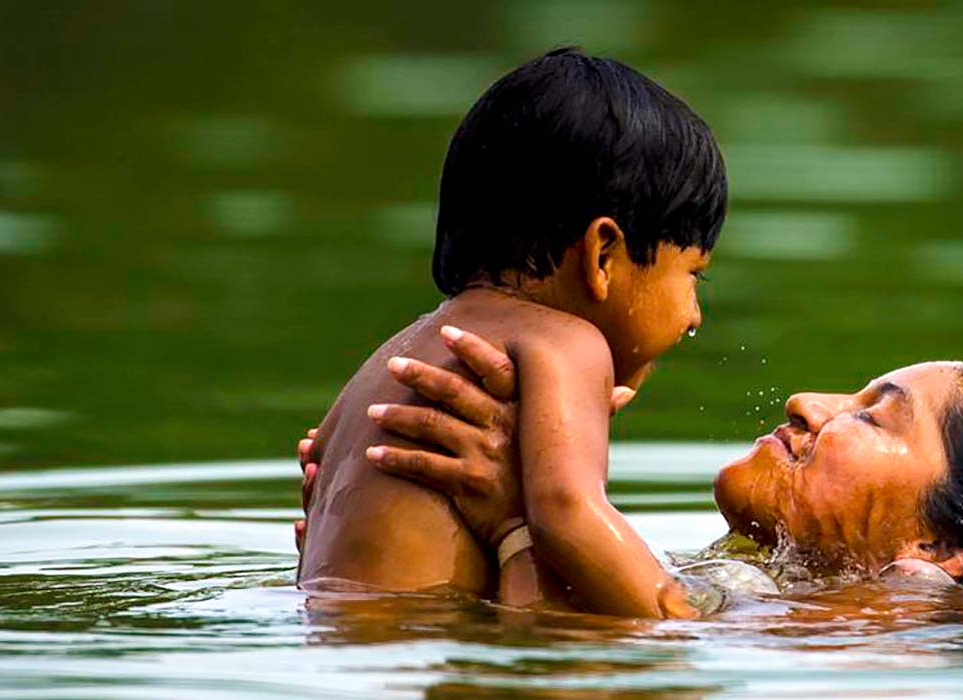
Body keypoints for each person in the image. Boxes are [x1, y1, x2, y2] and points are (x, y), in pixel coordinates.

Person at [299, 334, 963, 617]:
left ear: (941, 547)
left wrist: (518, 522)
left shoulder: (874, 641)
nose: (805, 401)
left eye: (872, 414)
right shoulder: (777, 603)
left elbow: (564, 680)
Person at [297, 47, 726, 619]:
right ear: (603, 254)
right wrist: (675, 614)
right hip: (431, 644)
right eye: (693, 275)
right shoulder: (568, 344)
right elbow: (568, 513)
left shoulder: (392, 356)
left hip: (327, 641)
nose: (694, 315)